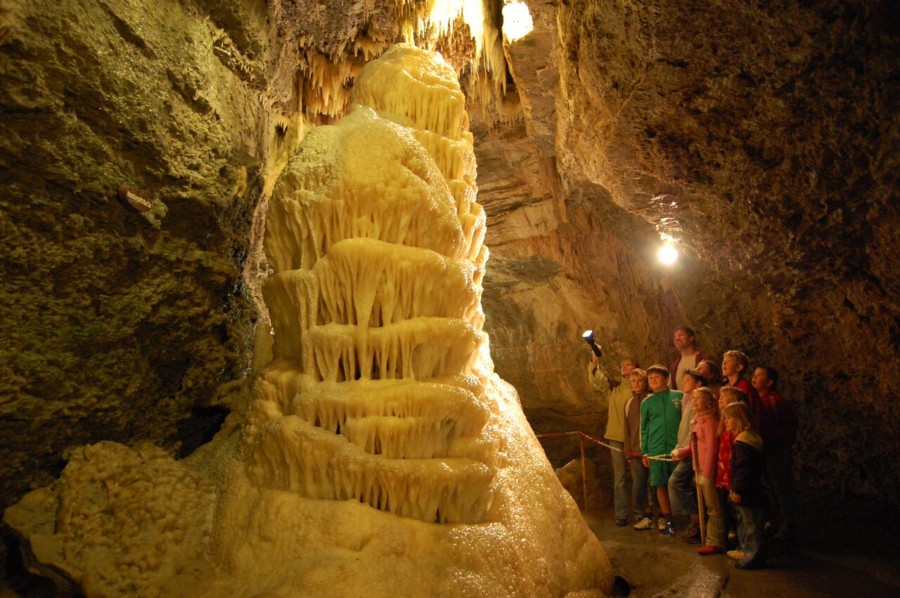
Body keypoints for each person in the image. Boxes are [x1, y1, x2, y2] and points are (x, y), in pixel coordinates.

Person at [674, 387, 726, 555]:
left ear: (708, 401)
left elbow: (712, 448)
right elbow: (693, 445)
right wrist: (681, 452)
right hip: (699, 468)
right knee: (706, 504)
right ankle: (710, 538)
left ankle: (715, 541)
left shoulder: (710, 421)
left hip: (706, 470)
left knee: (713, 507)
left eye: (698, 398)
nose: (694, 401)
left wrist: (708, 473)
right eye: (693, 398)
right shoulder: (698, 419)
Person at [588, 353, 638, 526]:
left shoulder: (638, 387)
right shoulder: (614, 387)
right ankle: (621, 514)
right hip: (615, 436)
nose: (624, 367)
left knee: (638, 476)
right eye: (622, 365)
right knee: (620, 477)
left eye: (628, 364)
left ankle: (641, 513)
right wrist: (594, 361)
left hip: (634, 437)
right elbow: (597, 379)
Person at [751, 366, 799, 542]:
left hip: (776, 451)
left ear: (770, 382)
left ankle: (788, 525)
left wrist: (778, 443)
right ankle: (776, 521)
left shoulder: (774, 401)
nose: (754, 378)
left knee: (781, 488)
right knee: (770, 488)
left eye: (759, 375)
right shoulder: (758, 400)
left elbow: (789, 426)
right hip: (764, 450)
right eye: (754, 374)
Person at [723, 401, 767, 569]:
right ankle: (744, 549)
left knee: (751, 525)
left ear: (739, 419)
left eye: (729, 418)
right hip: (746, 489)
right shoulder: (745, 439)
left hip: (749, 491)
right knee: (743, 520)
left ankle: (753, 556)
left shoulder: (745, 442)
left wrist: (738, 489)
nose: (725, 422)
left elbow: (744, 468)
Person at [640, 365, 682, 535]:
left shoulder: (679, 397)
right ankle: (668, 518)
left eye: (657, 377)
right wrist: (645, 451)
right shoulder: (647, 402)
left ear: (666, 378)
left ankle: (690, 519)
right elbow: (644, 428)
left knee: (681, 483)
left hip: (678, 448)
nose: (653, 380)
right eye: (650, 378)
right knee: (659, 483)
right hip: (656, 449)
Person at [668, 369, 706, 543]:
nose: (683, 383)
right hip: (685, 449)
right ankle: (696, 522)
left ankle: (697, 522)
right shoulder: (687, 400)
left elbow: (695, 432)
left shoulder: (698, 403)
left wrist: (684, 450)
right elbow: (684, 429)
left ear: (698, 384)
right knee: (686, 484)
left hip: (694, 452)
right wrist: (678, 446)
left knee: (675, 482)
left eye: (688, 380)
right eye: (683, 380)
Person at [624, 368, 657, 528]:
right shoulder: (629, 403)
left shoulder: (652, 399)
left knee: (654, 482)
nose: (636, 384)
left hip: (652, 450)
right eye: (633, 381)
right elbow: (627, 429)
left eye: (639, 381)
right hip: (636, 451)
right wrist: (628, 453)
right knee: (638, 484)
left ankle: (655, 513)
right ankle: (640, 514)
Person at [716, 385, 746, 542]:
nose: (720, 398)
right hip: (723, 471)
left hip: (733, 472)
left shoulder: (738, 428)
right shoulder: (723, 422)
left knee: (739, 510)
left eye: (725, 395)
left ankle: (743, 542)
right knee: (726, 506)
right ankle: (732, 533)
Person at [668, 327, 714, 391]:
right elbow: (671, 388)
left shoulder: (705, 359)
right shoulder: (674, 366)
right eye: (675, 337)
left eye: (680, 335)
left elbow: (715, 382)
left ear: (691, 338)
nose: (677, 338)